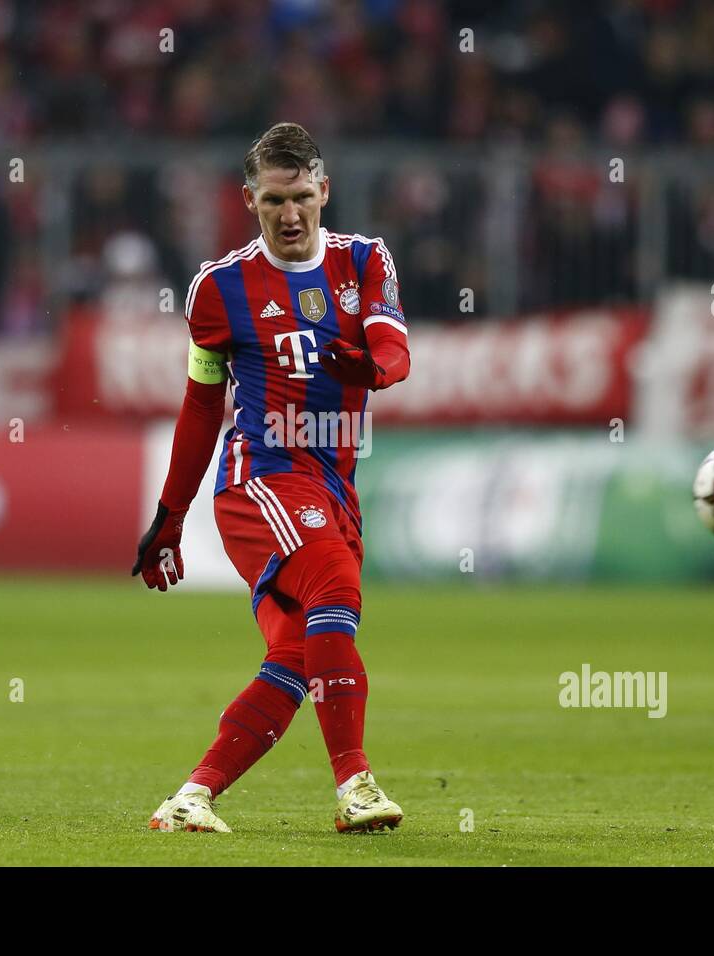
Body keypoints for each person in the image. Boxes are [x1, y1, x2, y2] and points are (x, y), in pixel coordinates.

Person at [132, 122, 411, 833]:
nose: (290, 215)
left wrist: (371, 368)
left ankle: (191, 798)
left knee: (295, 652)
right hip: (261, 478)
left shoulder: (366, 261)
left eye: (301, 198)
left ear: (325, 190)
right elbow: (200, 406)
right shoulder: (218, 289)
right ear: (250, 201)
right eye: (272, 202)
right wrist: (169, 518)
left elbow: (394, 350)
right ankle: (355, 785)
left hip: (333, 484)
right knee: (336, 590)